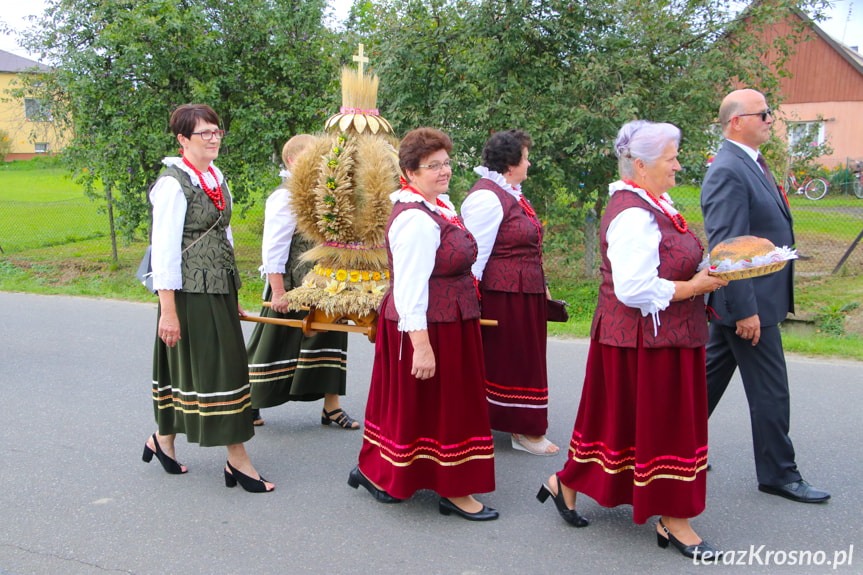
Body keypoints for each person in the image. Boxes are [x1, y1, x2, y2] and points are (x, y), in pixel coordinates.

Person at [538, 120, 726, 560]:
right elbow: (634, 288)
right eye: (671, 158)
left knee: (623, 424)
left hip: (665, 335)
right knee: (661, 427)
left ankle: (567, 482)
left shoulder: (654, 202)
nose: (678, 165)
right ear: (640, 165)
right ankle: (674, 518)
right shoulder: (633, 213)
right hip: (642, 340)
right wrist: (695, 287)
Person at [349, 127, 497, 521]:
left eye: (447, 162)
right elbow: (410, 288)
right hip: (429, 327)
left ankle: (382, 472)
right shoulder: (415, 220)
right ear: (410, 173)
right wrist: (423, 345)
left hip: (452, 322)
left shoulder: (439, 207)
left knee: (427, 409)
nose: (444, 170)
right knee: (446, 409)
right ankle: (454, 489)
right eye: (434, 165)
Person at [700, 88, 830, 503]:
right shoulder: (727, 169)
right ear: (736, 121)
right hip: (747, 304)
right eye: (764, 114)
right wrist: (745, 310)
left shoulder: (749, 161)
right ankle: (779, 474)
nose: (771, 120)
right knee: (771, 390)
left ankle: (664, 448)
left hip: (746, 301)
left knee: (703, 383)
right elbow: (729, 247)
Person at [141, 103, 274, 493]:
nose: (214, 139)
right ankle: (238, 459)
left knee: (208, 368)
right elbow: (163, 251)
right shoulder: (172, 184)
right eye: (205, 133)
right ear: (183, 139)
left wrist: (231, 289)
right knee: (219, 370)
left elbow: (223, 236)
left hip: (218, 289)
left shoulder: (215, 176)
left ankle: (163, 440)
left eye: (217, 132)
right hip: (187, 294)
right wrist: (168, 312)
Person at [246, 135, 355, 430]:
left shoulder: (324, 194)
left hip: (327, 286)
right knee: (274, 343)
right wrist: (279, 290)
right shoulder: (285, 196)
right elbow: (274, 247)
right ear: (294, 161)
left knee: (330, 337)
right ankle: (249, 403)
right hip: (292, 285)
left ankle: (331, 408)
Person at [462, 129, 558, 456]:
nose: (530, 163)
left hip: (523, 293)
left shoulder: (511, 192)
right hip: (503, 296)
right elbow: (474, 256)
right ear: (511, 163)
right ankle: (523, 429)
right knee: (515, 361)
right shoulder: (487, 198)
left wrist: (541, 287)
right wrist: (470, 303)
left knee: (523, 359)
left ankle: (519, 424)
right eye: (526, 157)